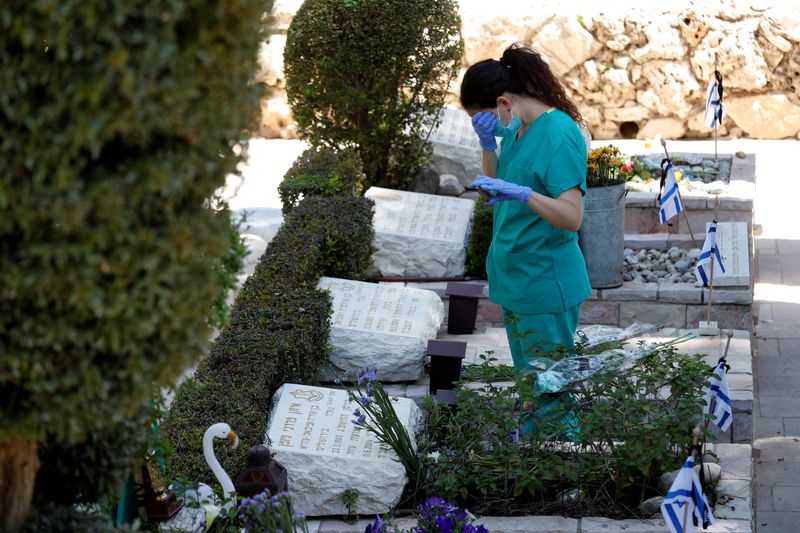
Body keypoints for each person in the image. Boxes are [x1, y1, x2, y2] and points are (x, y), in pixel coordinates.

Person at [461, 43, 591, 435]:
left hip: (544, 282)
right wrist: (488, 146)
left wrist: (524, 195)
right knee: (532, 389)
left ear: (504, 102)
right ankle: (538, 469)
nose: (489, 128)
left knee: (550, 393)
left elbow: (572, 215)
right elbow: (497, 182)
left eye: (484, 120)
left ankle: (559, 476)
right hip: (516, 279)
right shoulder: (519, 129)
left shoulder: (559, 134)